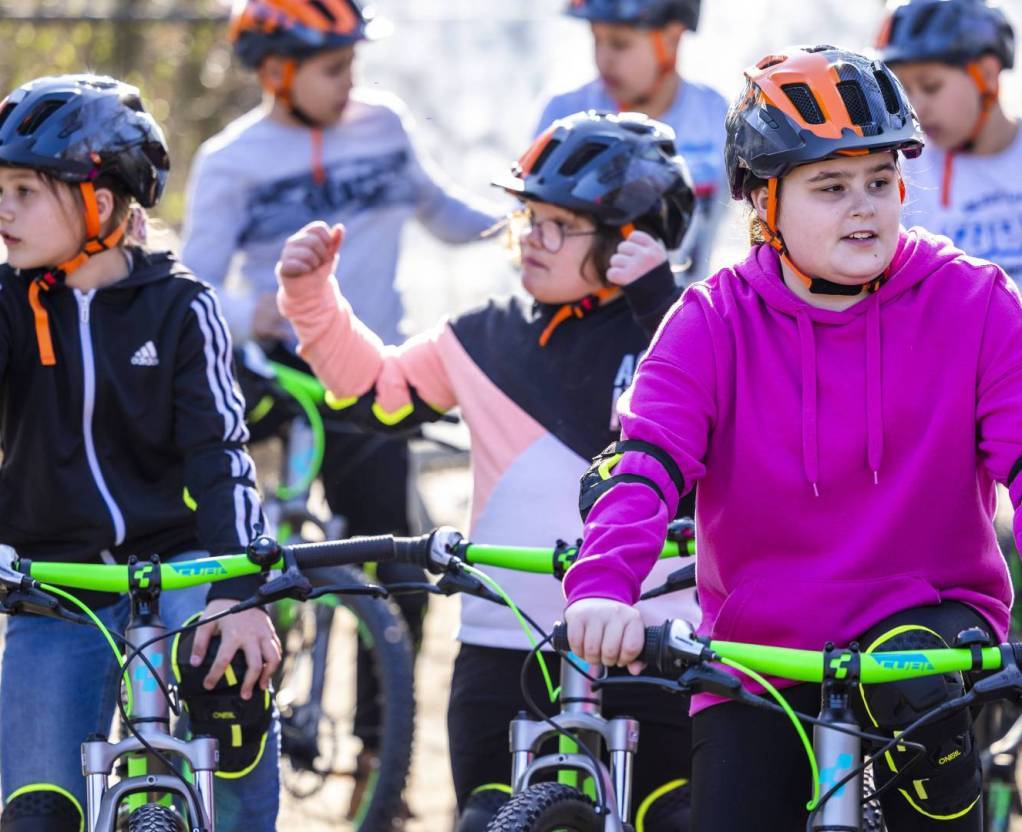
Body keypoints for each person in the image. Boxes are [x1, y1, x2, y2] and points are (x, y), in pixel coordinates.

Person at [564, 45, 1022, 831]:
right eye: (831, 185)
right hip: (761, 651)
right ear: (765, 204)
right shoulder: (711, 321)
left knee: (912, 686)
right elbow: (645, 463)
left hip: (934, 630)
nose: (864, 206)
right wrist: (603, 585)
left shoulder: (975, 303)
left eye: (880, 181)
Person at [277, 110, 699, 831]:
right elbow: (377, 394)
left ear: (633, 234)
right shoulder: (484, 335)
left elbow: (738, 422)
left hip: (653, 639)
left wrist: (663, 302)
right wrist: (313, 303)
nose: (530, 237)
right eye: (528, 216)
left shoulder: (693, 326)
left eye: (559, 225)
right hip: (504, 637)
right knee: (484, 817)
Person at [181, 0, 502, 798]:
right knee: (244, 557)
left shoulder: (382, 125)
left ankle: (373, 761)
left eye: (353, 61)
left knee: (395, 571)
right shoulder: (233, 159)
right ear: (277, 72)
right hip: (273, 382)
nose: (350, 79)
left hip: (368, 382)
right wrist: (244, 313)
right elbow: (192, 283)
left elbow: (445, 211)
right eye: (334, 67)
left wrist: (537, 217)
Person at [0, 74, 279, 831]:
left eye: (26, 189)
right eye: (1, 189)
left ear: (100, 198)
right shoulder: (7, 303)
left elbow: (221, 451)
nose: (4, 211)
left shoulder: (181, 306)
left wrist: (241, 590)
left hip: (182, 559)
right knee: (35, 814)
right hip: (53, 580)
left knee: (234, 684)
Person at [536, 0, 728, 283]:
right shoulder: (565, 113)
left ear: (672, 39)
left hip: (684, 316)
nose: (603, 58)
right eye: (596, 39)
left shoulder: (716, 115)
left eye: (619, 44)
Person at [877, 0, 1022, 283]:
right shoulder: (903, 174)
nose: (916, 106)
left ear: (987, 75)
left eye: (931, 87)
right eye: (905, 89)